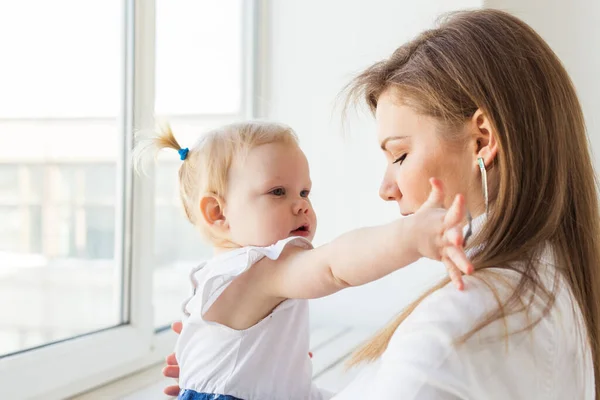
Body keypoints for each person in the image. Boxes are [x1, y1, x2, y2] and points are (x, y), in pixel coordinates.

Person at [163, 9, 600, 399]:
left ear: (482, 139)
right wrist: (246, 376)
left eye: (400, 154)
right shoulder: (560, 286)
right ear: (216, 213)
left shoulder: (459, 328)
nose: (385, 188)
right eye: (278, 192)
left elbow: (334, 265)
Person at [138, 121, 472, 400]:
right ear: (218, 213)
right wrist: (411, 235)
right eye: (278, 192)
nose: (301, 205)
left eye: (304, 192)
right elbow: (333, 266)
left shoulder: (230, 273)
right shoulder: (257, 269)